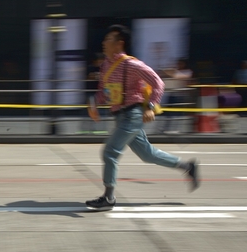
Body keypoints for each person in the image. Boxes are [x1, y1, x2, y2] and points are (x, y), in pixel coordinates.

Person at [86, 25, 200, 210]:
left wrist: (151, 107)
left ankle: (108, 197)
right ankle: (187, 166)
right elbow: (104, 91)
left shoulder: (132, 65)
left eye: (108, 39)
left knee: (110, 151)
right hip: (119, 115)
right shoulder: (106, 65)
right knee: (147, 154)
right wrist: (93, 104)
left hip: (132, 114)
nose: (104, 42)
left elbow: (158, 83)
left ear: (119, 44)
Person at [161, 58, 193, 133]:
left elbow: (175, 76)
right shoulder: (176, 71)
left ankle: (175, 129)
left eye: (180, 63)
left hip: (180, 96)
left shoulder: (188, 72)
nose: (178, 65)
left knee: (177, 113)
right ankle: (166, 128)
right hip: (172, 94)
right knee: (168, 112)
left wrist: (169, 72)